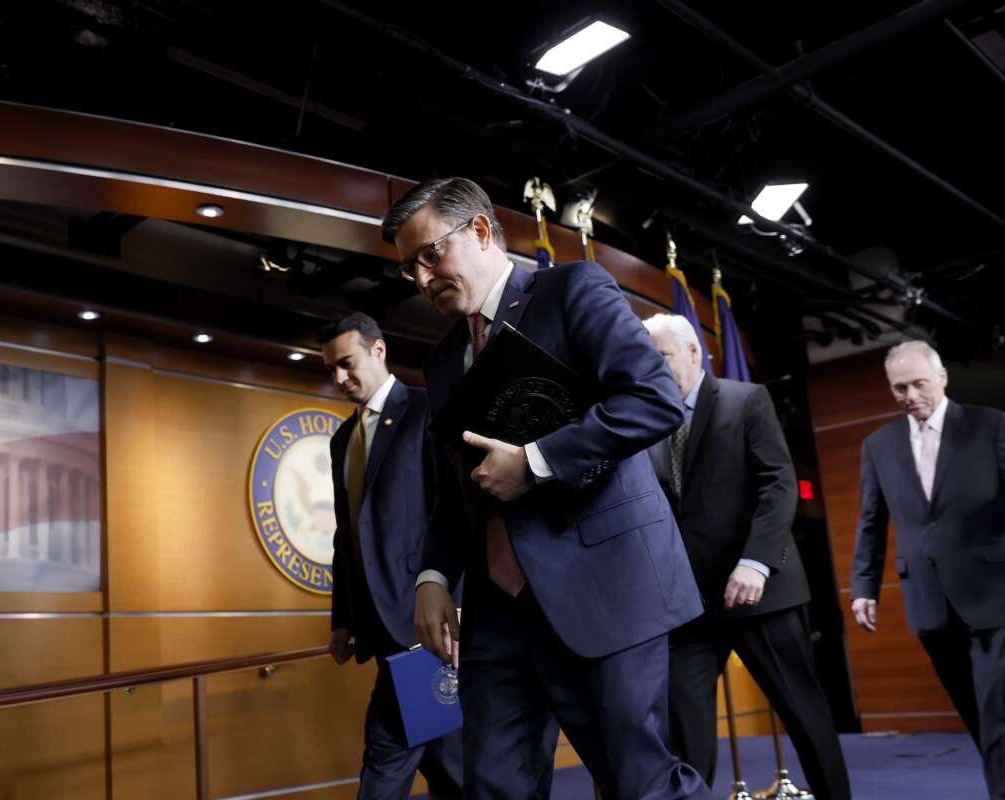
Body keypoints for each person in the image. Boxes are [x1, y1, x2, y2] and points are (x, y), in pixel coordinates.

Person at [383, 177, 712, 800]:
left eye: (430, 255)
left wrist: (535, 462)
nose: (422, 279)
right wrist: (431, 578)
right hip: (499, 615)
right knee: (492, 787)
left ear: (480, 231)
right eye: (408, 269)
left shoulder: (572, 290)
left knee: (638, 784)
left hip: (606, 589)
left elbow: (653, 397)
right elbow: (457, 488)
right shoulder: (442, 360)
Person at [643, 314, 850, 800]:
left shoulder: (745, 400)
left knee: (805, 717)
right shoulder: (647, 421)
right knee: (682, 730)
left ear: (694, 351)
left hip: (762, 595)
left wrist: (756, 561)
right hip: (690, 608)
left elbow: (779, 486)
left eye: (661, 356)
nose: (651, 366)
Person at [851, 339, 1005, 799]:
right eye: (900, 388)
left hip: (993, 592)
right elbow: (871, 520)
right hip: (929, 600)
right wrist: (863, 586)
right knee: (975, 710)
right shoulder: (877, 445)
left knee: (998, 709)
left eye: (919, 383)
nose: (910, 395)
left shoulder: (989, 425)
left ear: (942, 377)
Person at [320, 312, 463, 799]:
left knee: (401, 760)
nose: (340, 378)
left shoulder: (426, 412)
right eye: (332, 369)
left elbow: (453, 513)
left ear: (378, 351)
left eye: (347, 363)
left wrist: (454, 608)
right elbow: (347, 536)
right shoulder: (342, 440)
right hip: (381, 633)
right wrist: (343, 619)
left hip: (427, 632)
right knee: (437, 762)